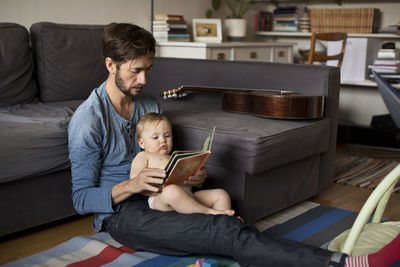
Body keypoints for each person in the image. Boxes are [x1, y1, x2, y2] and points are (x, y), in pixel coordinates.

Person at [68, 22, 400, 267]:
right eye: (135, 71)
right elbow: (81, 199)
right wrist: (131, 185)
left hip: (165, 198)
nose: (144, 80)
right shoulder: (88, 121)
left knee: (227, 223)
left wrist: (190, 176)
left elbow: (168, 160)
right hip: (124, 214)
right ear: (110, 65)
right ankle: (341, 264)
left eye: (148, 70)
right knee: (222, 231)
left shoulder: (149, 104)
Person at [130, 112, 234, 216]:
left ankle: (226, 222)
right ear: (141, 143)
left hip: (188, 196)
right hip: (161, 198)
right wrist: (151, 186)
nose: (163, 140)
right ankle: (210, 212)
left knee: (221, 194)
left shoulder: (176, 158)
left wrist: (197, 170)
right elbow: (134, 181)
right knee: (171, 191)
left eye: (167, 136)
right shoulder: (143, 156)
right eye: (155, 137)